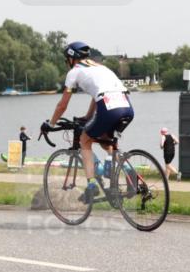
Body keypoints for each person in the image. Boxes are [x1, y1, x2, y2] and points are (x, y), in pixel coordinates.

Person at [43, 41, 133, 203]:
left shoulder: (75, 72)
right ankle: (128, 171)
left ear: (71, 58)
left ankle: (91, 185)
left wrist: (50, 124)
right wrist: (87, 116)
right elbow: (96, 94)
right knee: (106, 142)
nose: (67, 63)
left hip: (108, 107)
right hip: (126, 107)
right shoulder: (101, 67)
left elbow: (62, 105)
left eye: (66, 59)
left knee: (85, 140)